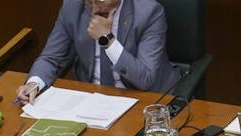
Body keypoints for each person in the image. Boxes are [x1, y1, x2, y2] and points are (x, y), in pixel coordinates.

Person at [15, 0, 179, 103]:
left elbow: (145, 79)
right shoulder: (72, 7)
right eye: (89, 2)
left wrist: (107, 40)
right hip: (93, 100)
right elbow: (51, 58)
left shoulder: (149, 12)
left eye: (100, 2)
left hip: (145, 99)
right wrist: (34, 83)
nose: (93, 10)